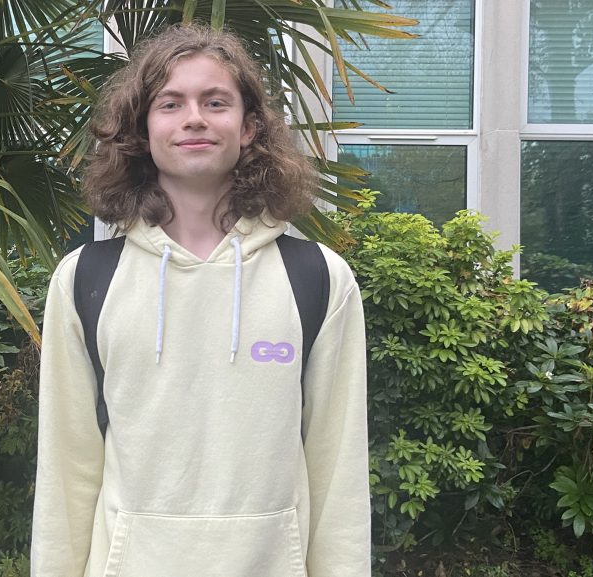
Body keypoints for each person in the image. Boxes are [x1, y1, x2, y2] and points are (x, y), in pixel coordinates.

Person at [30, 24, 370, 577]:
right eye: (171, 103)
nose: (194, 118)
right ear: (143, 128)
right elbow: (66, 470)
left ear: (249, 127)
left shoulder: (318, 279)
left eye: (216, 102)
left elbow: (339, 471)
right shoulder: (86, 280)